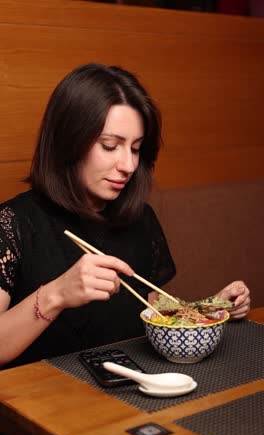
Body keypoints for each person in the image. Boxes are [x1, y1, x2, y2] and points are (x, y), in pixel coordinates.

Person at [0, 63, 250, 370]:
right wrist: (57, 294)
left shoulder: (139, 218)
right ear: (68, 141)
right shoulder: (12, 224)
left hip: (129, 390)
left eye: (136, 148)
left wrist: (211, 308)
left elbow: (152, 305)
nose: (129, 165)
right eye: (110, 146)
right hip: (44, 404)